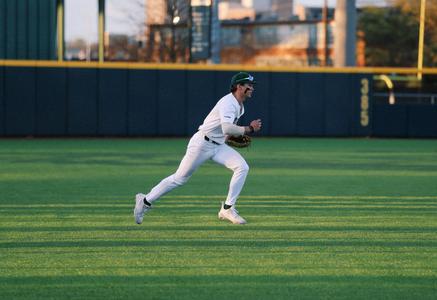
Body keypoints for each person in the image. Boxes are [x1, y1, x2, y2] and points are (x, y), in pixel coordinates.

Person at [134, 72, 262, 225]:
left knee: (242, 167)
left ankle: (227, 208)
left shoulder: (239, 106)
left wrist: (228, 137)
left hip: (218, 145)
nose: (252, 88)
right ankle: (145, 201)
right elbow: (227, 127)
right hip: (202, 144)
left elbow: (223, 131)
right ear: (239, 86)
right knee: (179, 179)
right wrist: (249, 129)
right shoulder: (228, 103)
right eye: (249, 85)